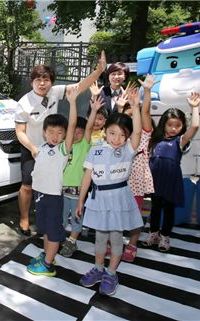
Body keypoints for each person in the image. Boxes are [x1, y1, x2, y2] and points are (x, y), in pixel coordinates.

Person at [15, 51, 106, 236]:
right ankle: (24, 218)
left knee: (56, 184)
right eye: (38, 79)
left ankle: (55, 218)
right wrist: (33, 149)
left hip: (57, 148)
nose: (42, 83)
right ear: (31, 81)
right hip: (33, 148)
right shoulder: (23, 103)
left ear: (52, 82)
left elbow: (80, 86)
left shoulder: (56, 92)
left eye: (46, 79)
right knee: (27, 184)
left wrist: (98, 71)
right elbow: (20, 132)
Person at [76, 86, 143, 296]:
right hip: (98, 199)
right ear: (105, 131)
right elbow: (87, 176)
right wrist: (80, 201)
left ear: (128, 137)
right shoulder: (95, 149)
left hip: (119, 199)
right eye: (112, 133)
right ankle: (97, 269)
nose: (116, 138)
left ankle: (111, 273)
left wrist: (136, 106)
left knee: (116, 239)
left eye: (122, 135)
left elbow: (139, 131)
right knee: (99, 238)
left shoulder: (127, 150)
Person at [26, 85, 80, 277]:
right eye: (51, 132)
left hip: (53, 197)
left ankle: (48, 265)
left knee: (54, 231)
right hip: (39, 194)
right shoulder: (41, 147)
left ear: (65, 135)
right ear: (44, 132)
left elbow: (72, 125)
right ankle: (48, 255)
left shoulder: (62, 150)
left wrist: (72, 102)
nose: (55, 136)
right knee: (46, 230)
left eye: (60, 133)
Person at [143, 93, 200, 252]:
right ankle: (153, 234)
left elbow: (195, 126)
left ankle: (165, 237)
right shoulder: (155, 138)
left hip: (171, 180)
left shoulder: (180, 141)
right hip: (155, 179)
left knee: (168, 210)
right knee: (155, 208)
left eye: (178, 125)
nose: (174, 128)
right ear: (164, 124)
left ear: (182, 126)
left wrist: (195, 107)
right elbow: (145, 114)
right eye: (170, 125)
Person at [59, 94, 105, 257]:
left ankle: (71, 242)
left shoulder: (85, 144)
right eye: (74, 132)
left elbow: (89, 126)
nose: (76, 135)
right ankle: (60, 239)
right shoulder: (65, 145)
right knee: (62, 217)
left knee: (77, 217)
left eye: (80, 132)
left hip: (78, 190)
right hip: (61, 189)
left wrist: (93, 111)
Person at [122, 75, 156, 262]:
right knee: (117, 211)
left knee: (135, 212)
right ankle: (116, 241)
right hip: (119, 178)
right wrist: (124, 105)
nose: (131, 115)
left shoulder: (144, 132)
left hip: (137, 177)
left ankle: (132, 243)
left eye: (133, 112)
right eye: (128, 114)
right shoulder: (119, 134)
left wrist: (146, 93)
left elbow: (145, 113)